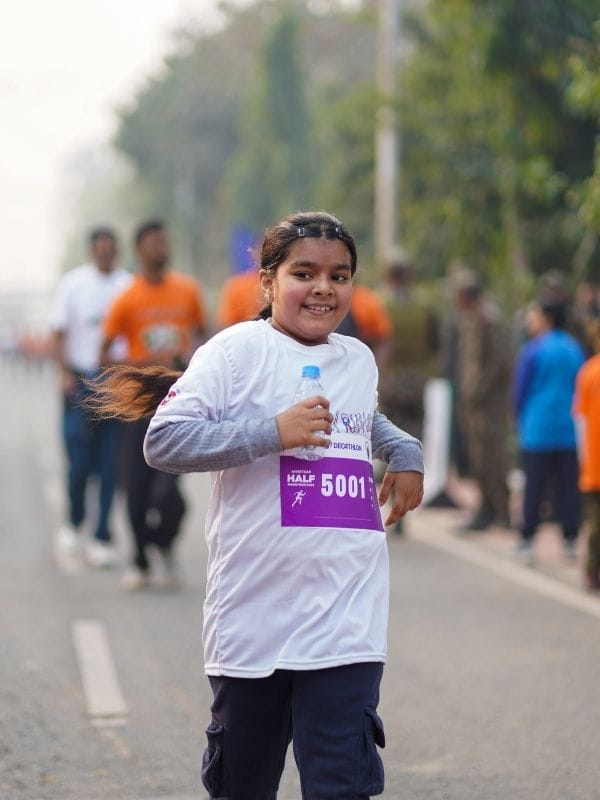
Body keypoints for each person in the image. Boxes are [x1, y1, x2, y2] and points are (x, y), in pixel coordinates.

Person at [90, 211, 424, 799]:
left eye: (340, 275)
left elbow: (357, 418)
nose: (324, 287)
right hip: (252, 625)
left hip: (346, 621)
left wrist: (403, 448)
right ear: (266, 282)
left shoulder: (358, 359)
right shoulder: (234, 353)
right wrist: (272, 433)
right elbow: (163, 440)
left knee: (342, 787)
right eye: (305, 273)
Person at [100, 220, 207, 590]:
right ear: (140, 249)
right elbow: (104, 352)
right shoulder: (127, 298)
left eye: (165, 241)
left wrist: (190, 359)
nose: (162, 247)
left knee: (170, 493)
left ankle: (163, 543)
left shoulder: (188, 291)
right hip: (137, 407)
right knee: (136, 487)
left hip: (179, 404)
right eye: (154, 242)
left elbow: (203, 335)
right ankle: (140, 560)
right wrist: (141, 368)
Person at [50, 226, 132, 566]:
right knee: (79, 462)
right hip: (81, 382)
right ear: (92, 250)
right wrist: (64, 373)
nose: (105, 254)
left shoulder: (128, 286)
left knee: (111, 463)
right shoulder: (74, 284)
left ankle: (102, 536)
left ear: (117, 251)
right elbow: (58, 332)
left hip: (115, 384)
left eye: (110, 248)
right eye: (99, 248)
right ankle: (73, 521)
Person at [512, 302, 585, 563]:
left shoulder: (534, 349)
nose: (530, 319)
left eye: (534, 314)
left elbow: (520, 390)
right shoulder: (574, 348)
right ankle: (570, 540)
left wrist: (518, 417)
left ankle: (527, 540)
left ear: (547, 318)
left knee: (535, 487)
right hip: (569, 429)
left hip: (538, 429)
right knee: (568, 487)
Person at [452, 268, 512, 530]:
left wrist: (480, 389)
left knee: (492, 457)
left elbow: (500, 362)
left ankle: (501, 511)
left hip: (490, 404)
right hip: (474, 402)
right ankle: (486, 508)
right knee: (478, 456)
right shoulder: (471, 318)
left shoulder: (489, 319)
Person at [573, 319, 600, 590]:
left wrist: (583, 459)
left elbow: (580, 420)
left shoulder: (589, 371)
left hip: (594, 464)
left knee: (595, 523)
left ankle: (592, 571)